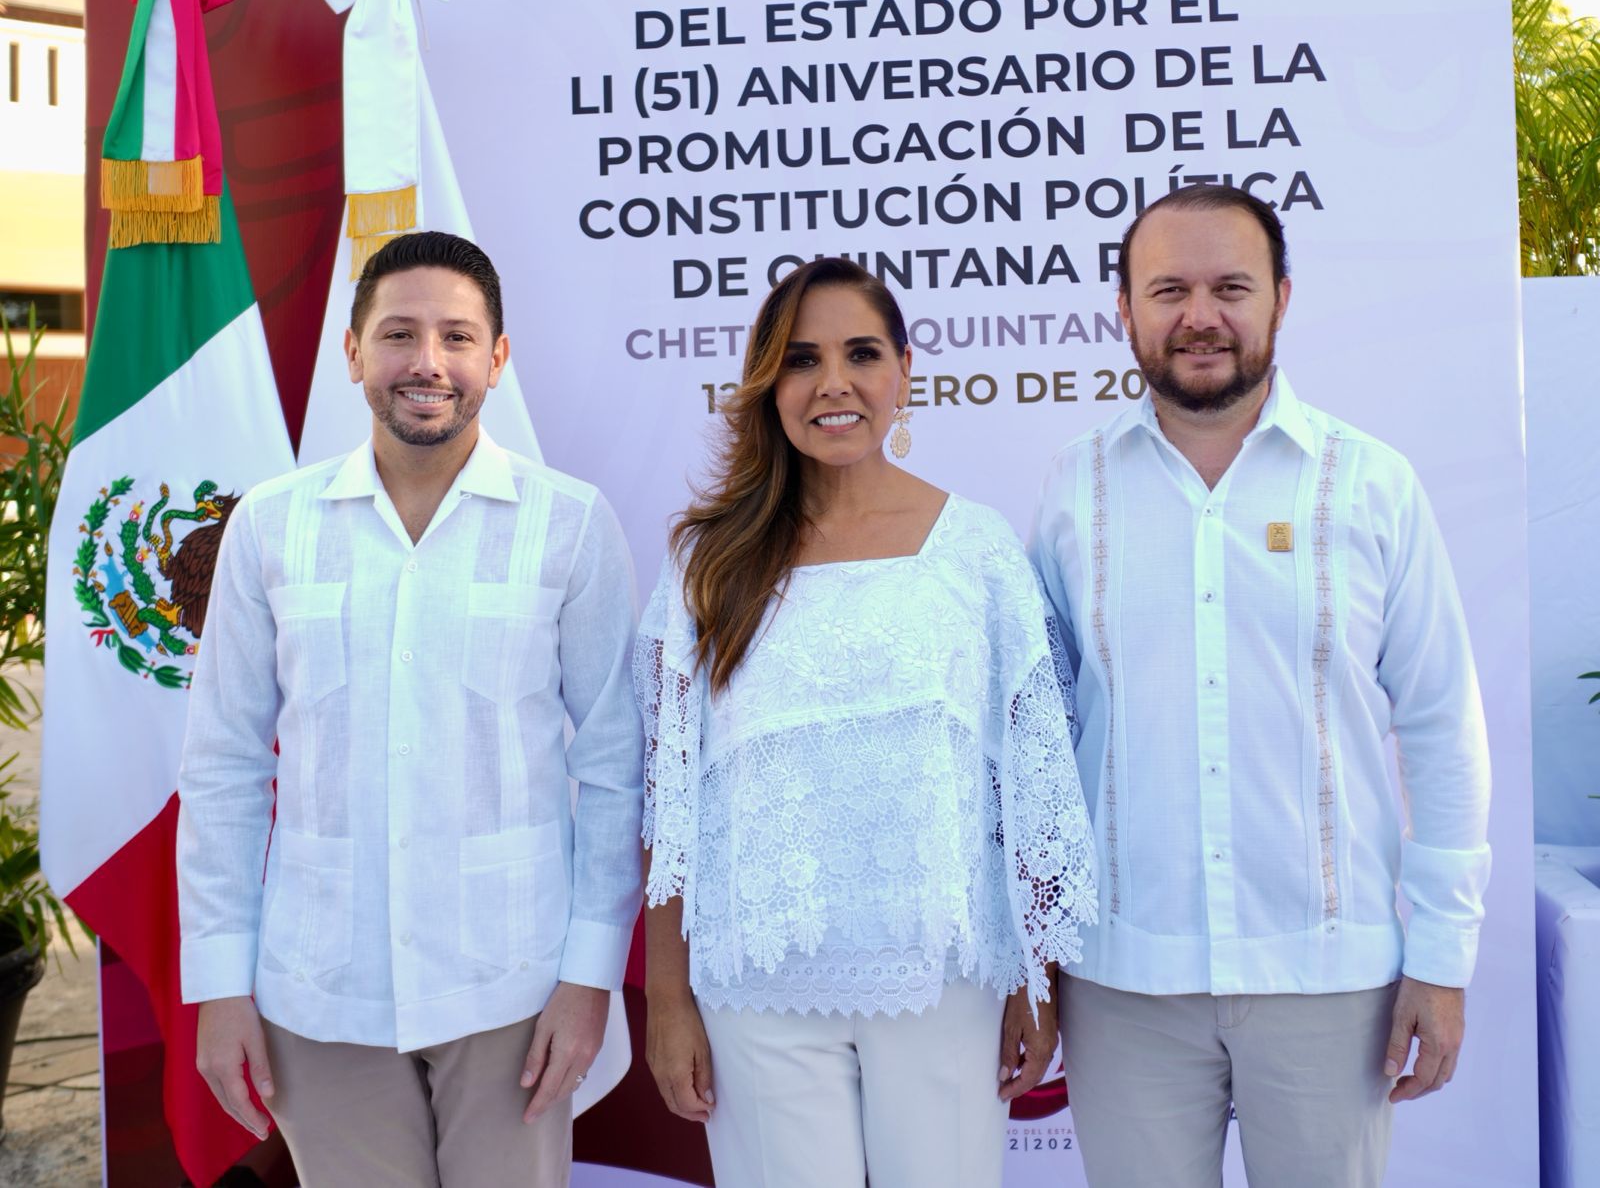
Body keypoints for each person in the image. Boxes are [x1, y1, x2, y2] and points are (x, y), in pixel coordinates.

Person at [1029, 185, 1492, 1187]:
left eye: (1230, 288)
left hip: (1330, 981)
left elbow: (1441, 725)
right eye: (1169, 290)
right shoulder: (1074, 488)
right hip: (1124, 981)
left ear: (1280, 298)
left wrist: (1443, 956)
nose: (1200, 315)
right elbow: (1040, 745)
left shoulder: (1371, 484)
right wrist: (1035, 954)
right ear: (1124, 309)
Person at [176, 230, 643, 1186]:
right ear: (353, 353)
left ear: (497, 359)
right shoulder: (269, 525)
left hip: (511, 982)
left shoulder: (570, 525)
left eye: (457, 337)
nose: (428, 362)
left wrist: (590, 976)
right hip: (321, 986)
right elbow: (223, 763)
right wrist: (220, 985)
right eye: (399, 334)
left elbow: (614, 767)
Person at [638, 256, 1096, 1188]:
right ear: (768, 384)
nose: (834, 383)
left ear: (904, 371)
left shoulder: (977, 551)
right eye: (802, 360)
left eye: (861, 354)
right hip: (755, 985)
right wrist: (669, 998)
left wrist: (1035, 974)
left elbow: (1032, 782)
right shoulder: (709, 562)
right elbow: (671, 804)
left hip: (944, 979)